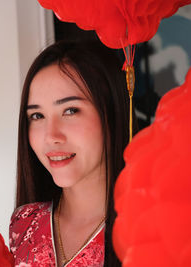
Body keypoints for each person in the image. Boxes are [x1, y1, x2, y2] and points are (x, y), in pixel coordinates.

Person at [9, 40, 133, 267]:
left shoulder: (148, 227)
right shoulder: (25, 223)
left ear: (110, 112)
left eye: (70, 110)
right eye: (37, 116)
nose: (51, 135)